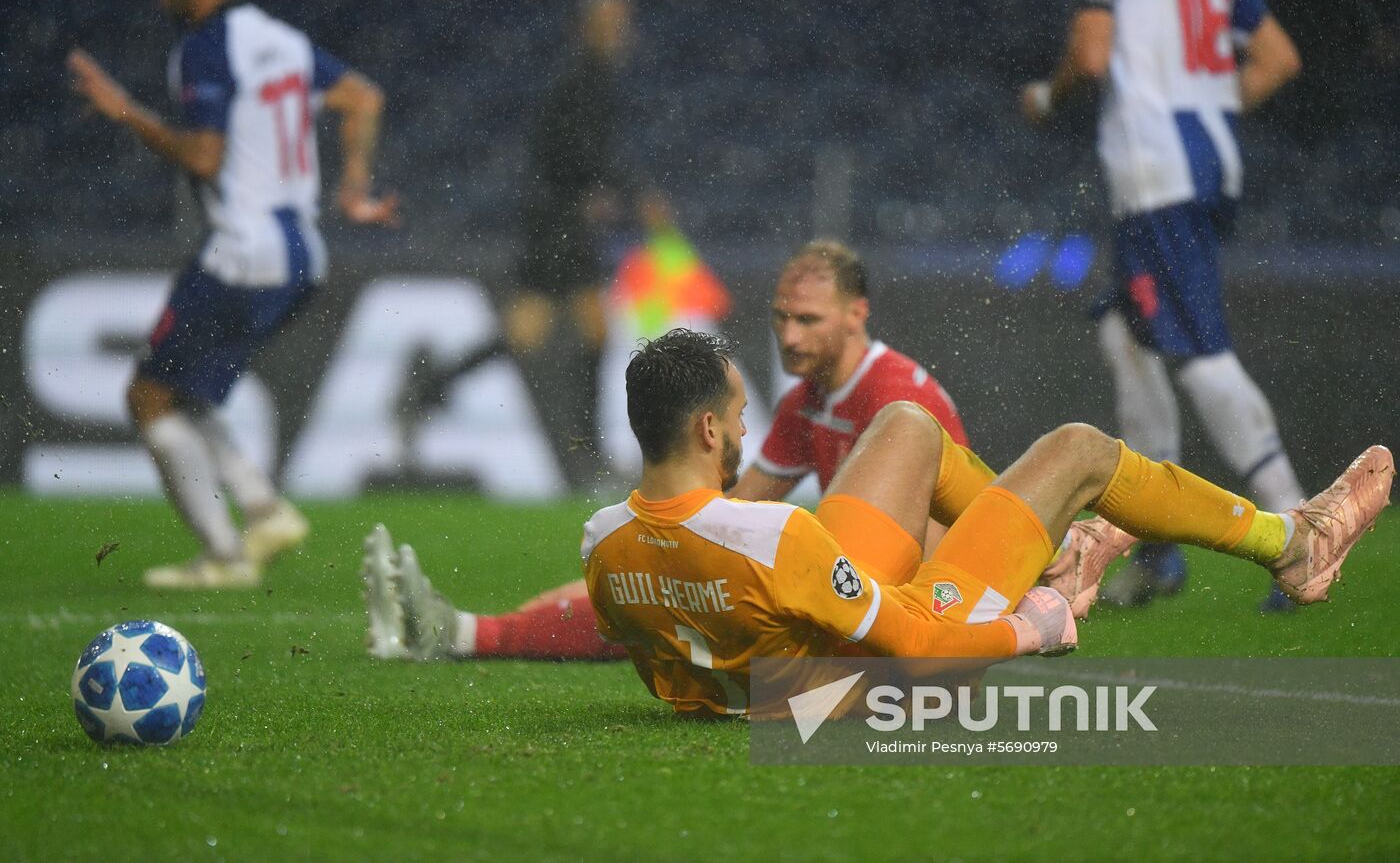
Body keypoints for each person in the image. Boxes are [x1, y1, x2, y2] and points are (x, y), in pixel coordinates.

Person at [380, 329, 1389, 717]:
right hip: (852, 680)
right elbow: (908, 644)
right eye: (735, 417)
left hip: (764, 672)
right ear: (703, 426)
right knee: (1080, 449)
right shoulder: (773, 538)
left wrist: (718, 689)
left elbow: (655, 660)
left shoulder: (603, 543)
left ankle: (1058, 546)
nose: (746, 428)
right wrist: (1027, 628)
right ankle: (1294, 547)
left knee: (902, 425)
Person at [360, 240, 1105, 662]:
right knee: (675, 581)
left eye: (804, 319)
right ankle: (462, 630)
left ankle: (1079, 551)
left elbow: (949, 550)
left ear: (855, 317)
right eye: (780, 318)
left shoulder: (904, 406)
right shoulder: (804, 405)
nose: (786, 336)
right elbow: (730, 513)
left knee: (683, 594)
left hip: (894, 614)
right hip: (842, 613)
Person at [68, 0, 396, 588]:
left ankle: (225, 552)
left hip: (244, 247)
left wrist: (125, 113)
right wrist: (353, 183)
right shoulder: (277, 37)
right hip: (303, 250)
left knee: (147, 395)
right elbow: (365, 98)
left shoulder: (205, 47)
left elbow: (204, 156)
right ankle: (262, 507)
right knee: (179, 389)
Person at [1021, 0, 1307, 610]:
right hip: (1206, 166)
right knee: (1126, 334)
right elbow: (1277, 59)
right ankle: (1154, 548)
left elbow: (1091, 55)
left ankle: (1301, 529)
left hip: (1156, 177)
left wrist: (1046, 96)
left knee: (1201, 352)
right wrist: (1205, 116)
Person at [508, 0, 671, 486]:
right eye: (610, 22)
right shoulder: (583, 82)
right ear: (587, 28)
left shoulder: (590, 81)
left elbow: (577, 150)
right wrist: (628, 191)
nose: (619, 33)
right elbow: (575, 150)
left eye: (623, 22)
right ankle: (588, 454)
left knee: (563, 333)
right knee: (537, 336)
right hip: (554, 221)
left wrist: (604, 189)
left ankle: (587, 453)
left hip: (560, 219)